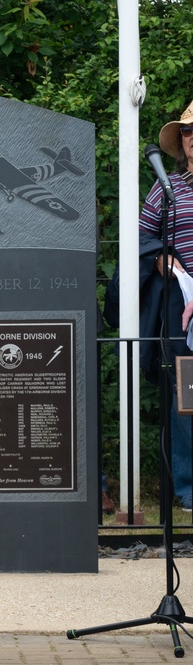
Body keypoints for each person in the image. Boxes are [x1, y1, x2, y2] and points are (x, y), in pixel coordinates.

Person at [148, 98, 193, 510]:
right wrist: (163, 260)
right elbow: (142, 239)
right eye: (188, 132)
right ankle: (188, 488)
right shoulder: (168, 188)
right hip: (182, 306)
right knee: (187, 395)